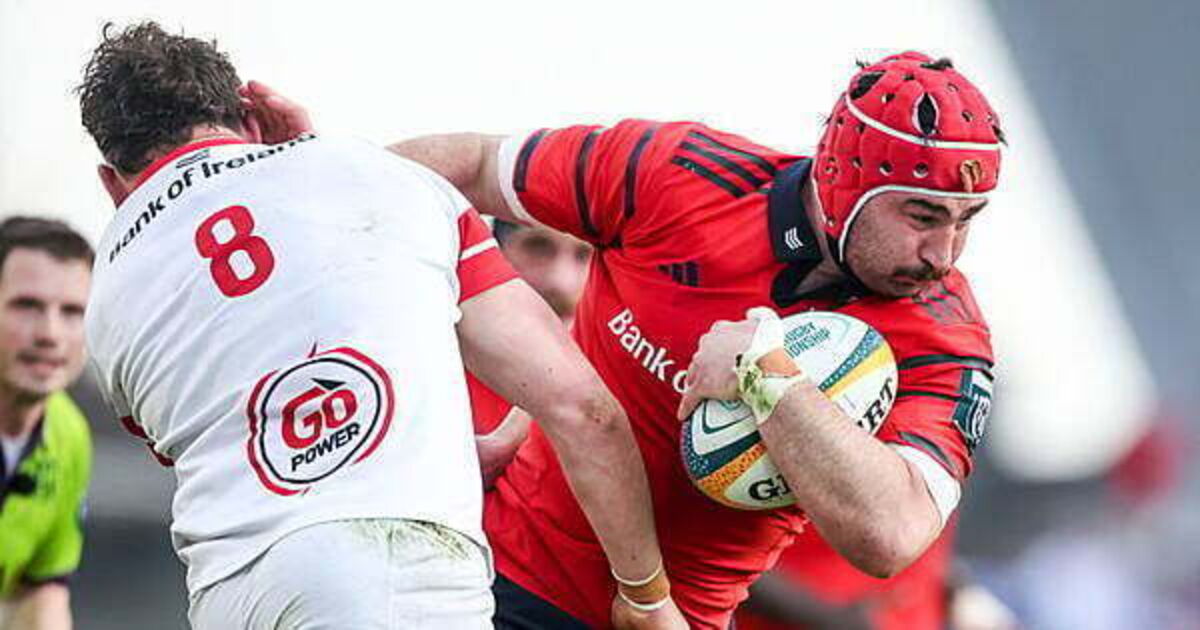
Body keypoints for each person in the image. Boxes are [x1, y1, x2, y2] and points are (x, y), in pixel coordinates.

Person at [263, 51, 1004, 629]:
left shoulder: (946, 335)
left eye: (966, 219)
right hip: (488, 578)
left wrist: (767, 373)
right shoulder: (678, 171)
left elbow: (889, 536)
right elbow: (476, 165)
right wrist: (307, 189)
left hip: (662, 621)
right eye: (921, 215)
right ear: (844, 177)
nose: (943, 253)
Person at [76, 22, 683, 629]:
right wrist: (646, 597)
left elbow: (232, 431)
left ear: (111, 182)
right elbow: (583, 410)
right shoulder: (386, 179)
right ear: (251, 119)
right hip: (391, 572)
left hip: (230, 594)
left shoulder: (104, 295)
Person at [0, 217, 93, 630]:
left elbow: (40, 591)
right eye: (27, 306)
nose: (50, 334)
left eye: (72, 312)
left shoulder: (69, 435)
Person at [469, 219, 591, 480]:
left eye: (585, 255)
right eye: (539, 247)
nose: (562, 282)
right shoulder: (434, 365)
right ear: (494, 250)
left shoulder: (630, 383)